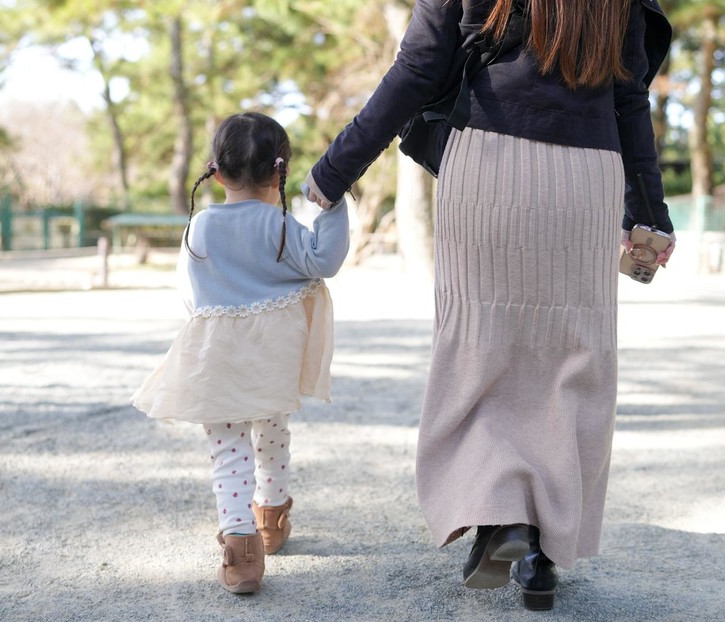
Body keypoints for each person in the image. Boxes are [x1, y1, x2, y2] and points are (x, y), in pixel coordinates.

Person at [304, 0, 674, 611]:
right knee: (572, 361)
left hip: (487, 170)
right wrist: (650, 216)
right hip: (588, 181)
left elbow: (418, 69)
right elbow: (629, 99)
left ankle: (502, 517)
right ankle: (542, 553)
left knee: (482, 353)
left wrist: (334, 169)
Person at [132, 111, 350, 594]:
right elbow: (324, 261)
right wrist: (332, 206)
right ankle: (271, 521)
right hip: (272, 362)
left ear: (216, 168)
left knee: (228, 453)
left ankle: (242, 552)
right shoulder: (280, 227)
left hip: (217, 362)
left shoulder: (201, 226)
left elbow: (188, 295)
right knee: (272, 439)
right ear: (280, 171)